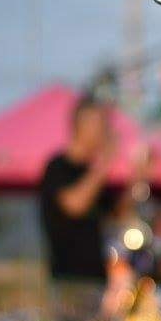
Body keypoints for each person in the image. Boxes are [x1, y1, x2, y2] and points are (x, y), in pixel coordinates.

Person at [39, 93, 118, 283]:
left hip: (97, 279)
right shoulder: (58, 167)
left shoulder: (92, 174)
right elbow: (75, 205)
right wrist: (104, 163)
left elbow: (117, 214)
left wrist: (139, 179)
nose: (106, 132)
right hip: (70, 282)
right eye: (101, 126)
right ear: (83, 126)